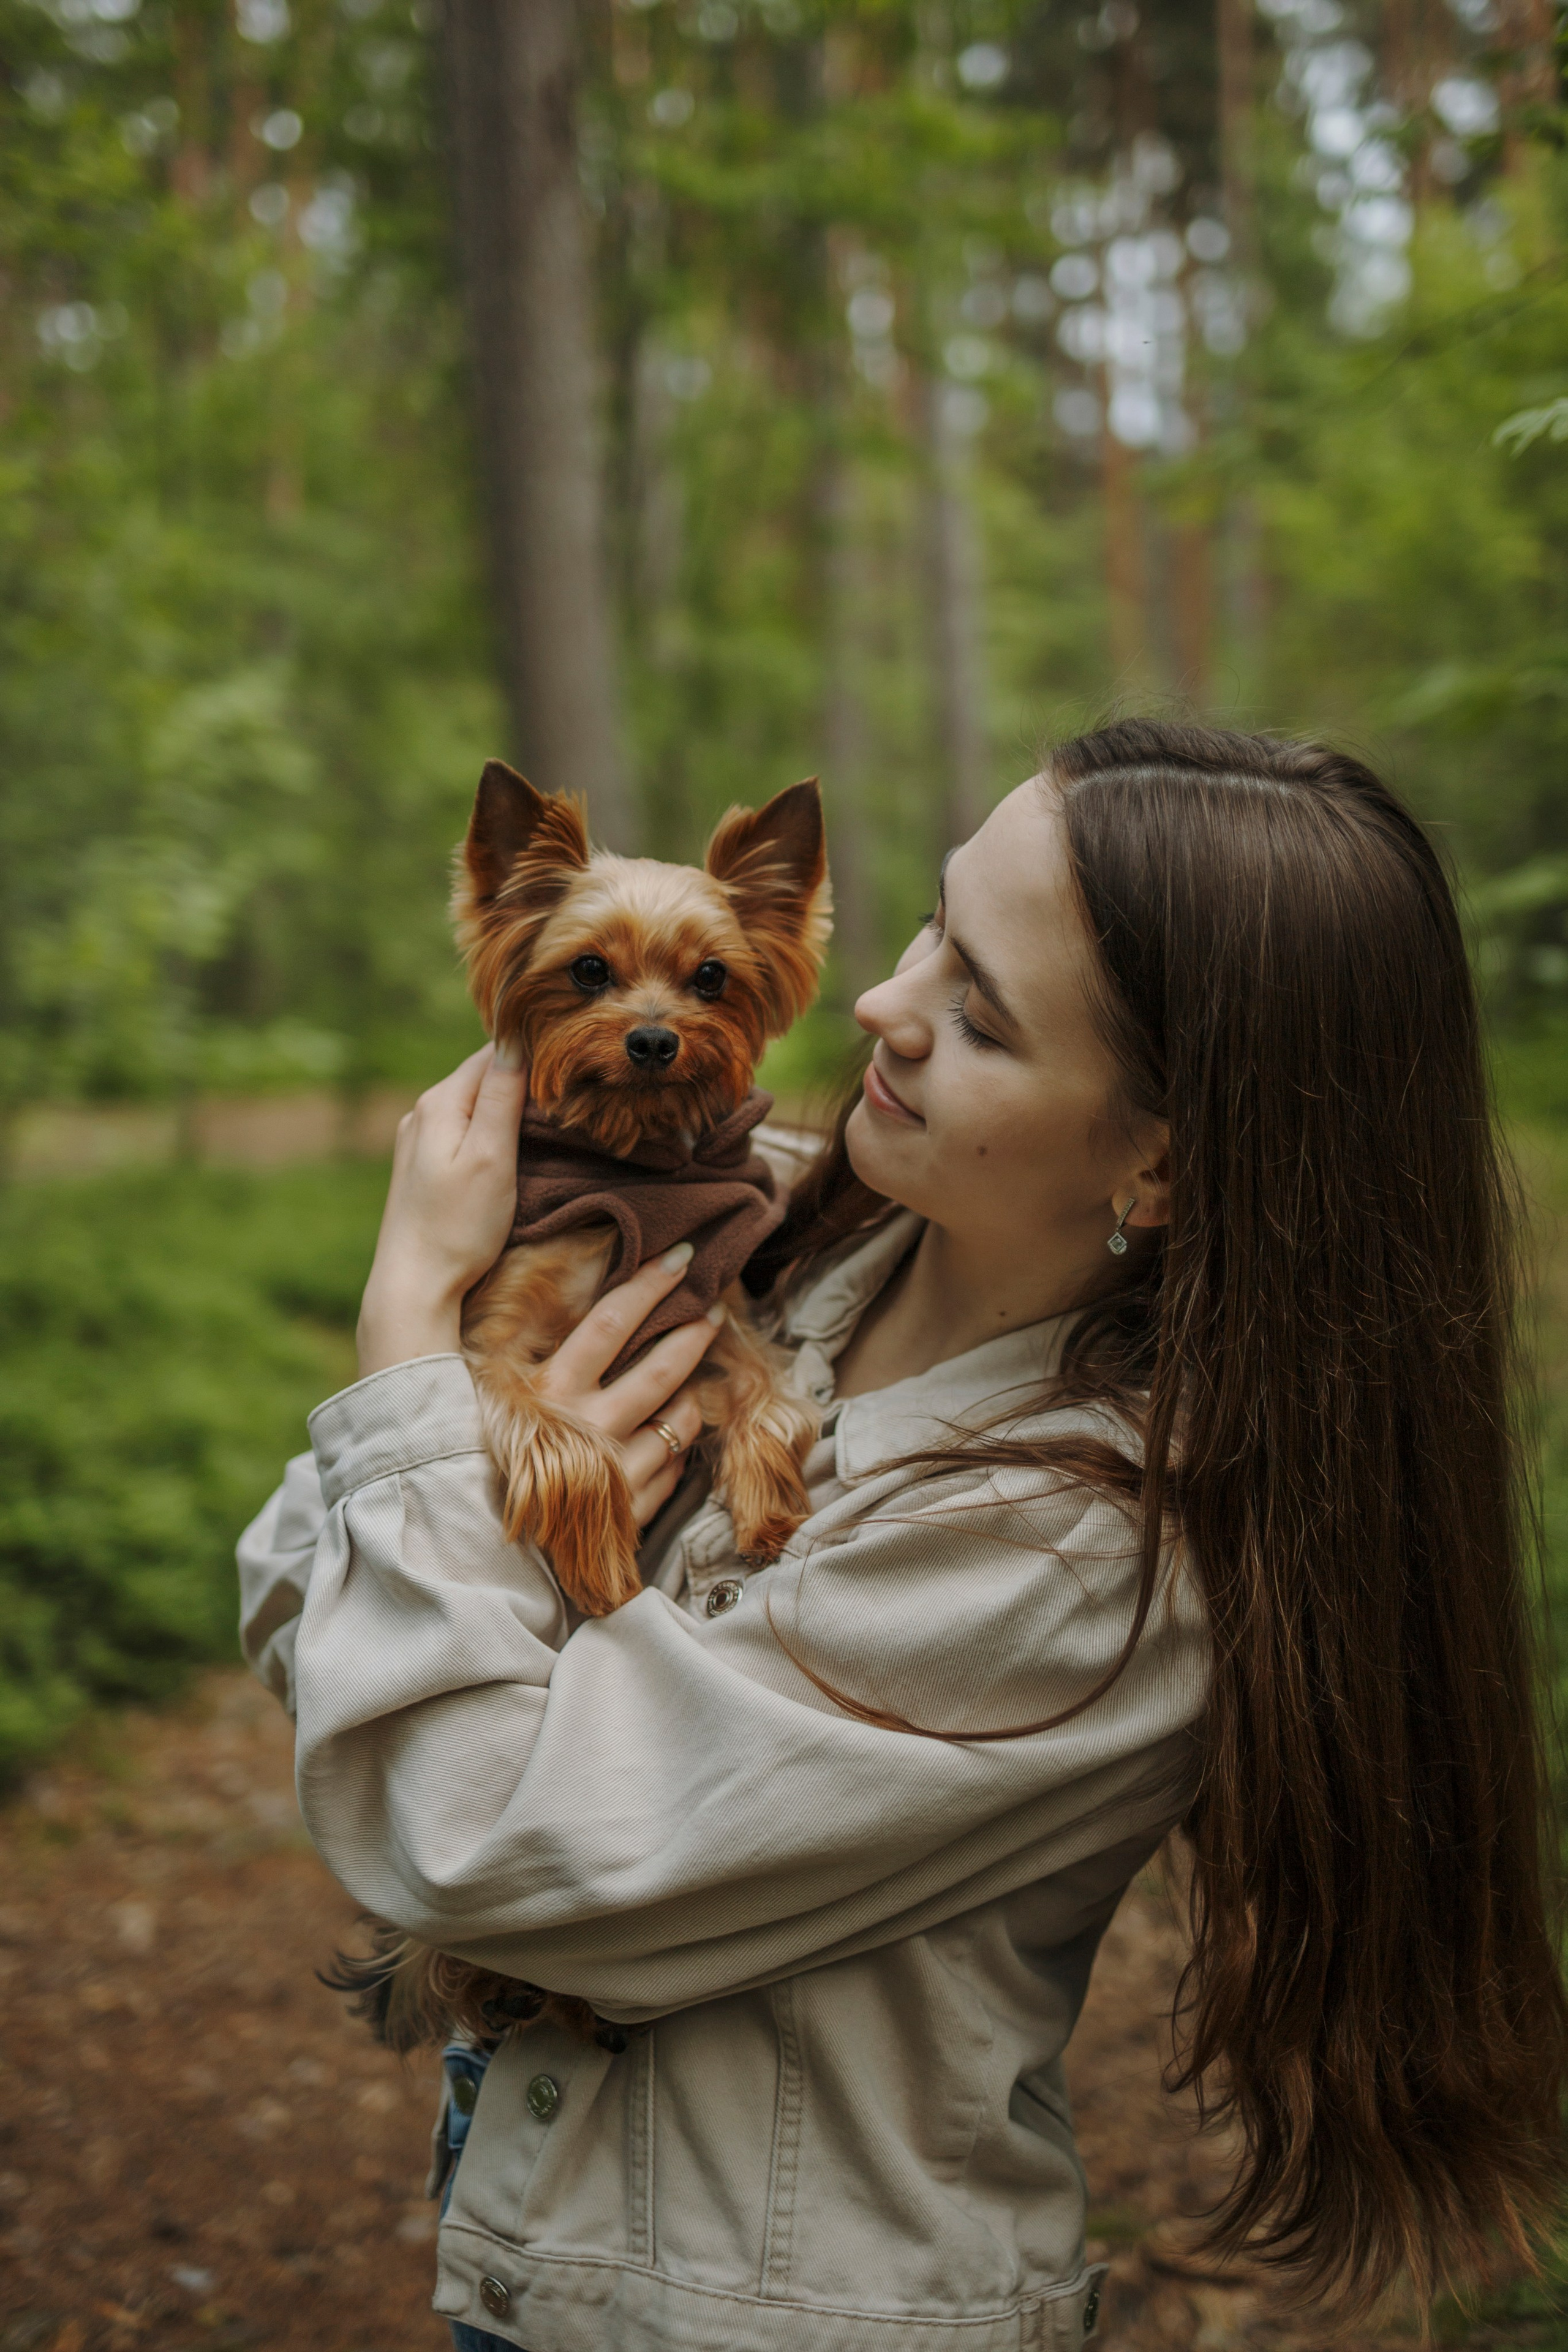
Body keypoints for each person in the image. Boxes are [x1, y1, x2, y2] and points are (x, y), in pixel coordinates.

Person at [238, 721, 1567, 2352]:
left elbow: (456, 1839)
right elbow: (289, 1574)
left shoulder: (1079, 1559)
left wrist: (406, 1340)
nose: (882, 1000)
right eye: (932, 925)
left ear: (1162, 1157)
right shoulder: (771, 1240)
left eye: (980, 1008)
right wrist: (427, 1473)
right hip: (543, 2235)